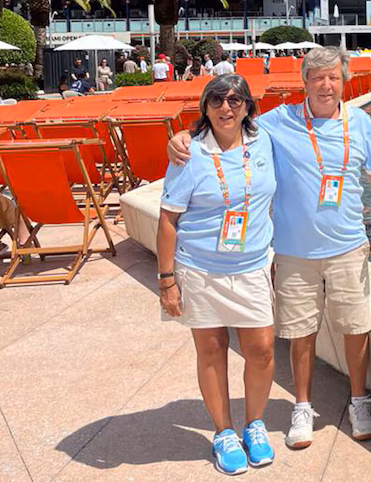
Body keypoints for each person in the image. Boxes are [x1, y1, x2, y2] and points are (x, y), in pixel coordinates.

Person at [169, 46, 371, 449]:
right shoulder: (277, 122)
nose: (326, 85)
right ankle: (302, 407)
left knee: (356, 328)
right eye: (318, 77)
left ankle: (360, 402)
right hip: (292, 251)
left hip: (348, 247)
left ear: (344, 81)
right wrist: (185, 134)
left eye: (334, 78)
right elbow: (226, 123)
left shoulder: (359, 122)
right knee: (300, 332)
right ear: (304, 82)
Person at [158, 74, 279, 475]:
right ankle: (224, 432)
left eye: (234, 101)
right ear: (205, 108)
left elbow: (310, 117)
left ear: (248, 106)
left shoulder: (265, 139)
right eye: (216, 102)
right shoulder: (189, 153)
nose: (226, 109)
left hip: (252, 266)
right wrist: (167, 280)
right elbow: (168, 219)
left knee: (261, 349)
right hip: (201, 269)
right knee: (211, 350)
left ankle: (255, 424)